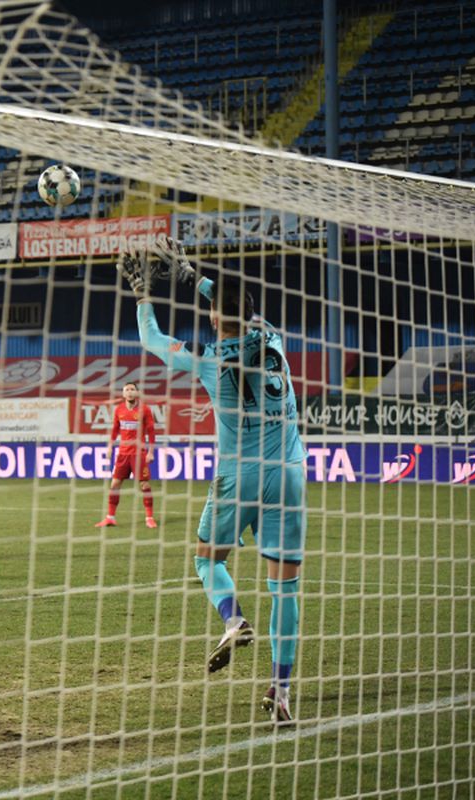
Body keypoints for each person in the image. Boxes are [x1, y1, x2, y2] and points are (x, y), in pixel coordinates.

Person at [121, 238, 306, 725]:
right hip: (288, 476)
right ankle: (281, 693)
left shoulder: (206, 359)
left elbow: (153, 342)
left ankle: (233, 618)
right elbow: (233, 305)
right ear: (248, 312)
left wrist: (144, 295)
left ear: (212, 319)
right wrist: (192, 275)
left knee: (207, 560)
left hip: (237, 476)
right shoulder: (272, 339)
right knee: (286, 589)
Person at [96, 382, 157, 529]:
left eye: (132, 390)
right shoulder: (119, 410)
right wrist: (110, 446)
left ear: (137, 393)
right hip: (123, 453)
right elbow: (115, 430)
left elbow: (151, 432)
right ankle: (110, 517)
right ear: (123, 394)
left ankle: (149, 517)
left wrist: (150, 452)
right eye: (127, 390)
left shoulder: (145, 409)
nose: (130, 392)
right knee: (114, 484)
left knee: (144, 484)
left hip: (139, 453)